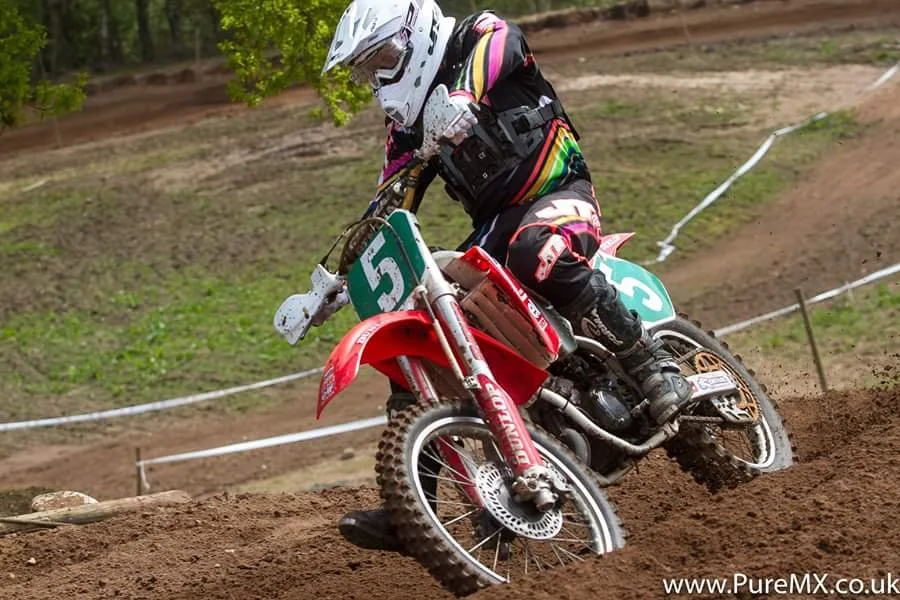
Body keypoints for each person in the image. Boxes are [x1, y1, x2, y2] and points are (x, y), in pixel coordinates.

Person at [320, 0, 692, 551]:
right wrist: (334, 278)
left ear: (415, 29)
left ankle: (653, 365)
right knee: (425, 328)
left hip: (559, 194)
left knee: (535, 251)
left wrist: (465, 98)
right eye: (368, 68)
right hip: (495, 226)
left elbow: (504, 43)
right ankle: (415, 500)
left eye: (383, 57)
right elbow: (388, 198)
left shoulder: (480, 35)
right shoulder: (406, 125)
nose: (378, 76)